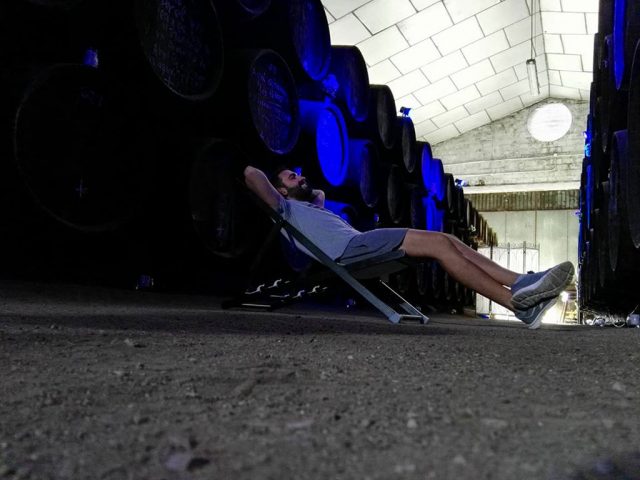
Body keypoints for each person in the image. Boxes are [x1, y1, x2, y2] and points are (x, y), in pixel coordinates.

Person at [244, 165, 575, 329]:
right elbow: (250, 174)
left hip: (357, 244)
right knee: (440, 245)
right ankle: (517, 300)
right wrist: (280, 191)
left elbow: (318, 194)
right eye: (290, 177)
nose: (298, 176)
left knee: (447, 241)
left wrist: (298, 186)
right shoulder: (283, 209)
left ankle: (518, 286)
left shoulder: (311, 206)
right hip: (350, 250)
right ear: (280, 192)